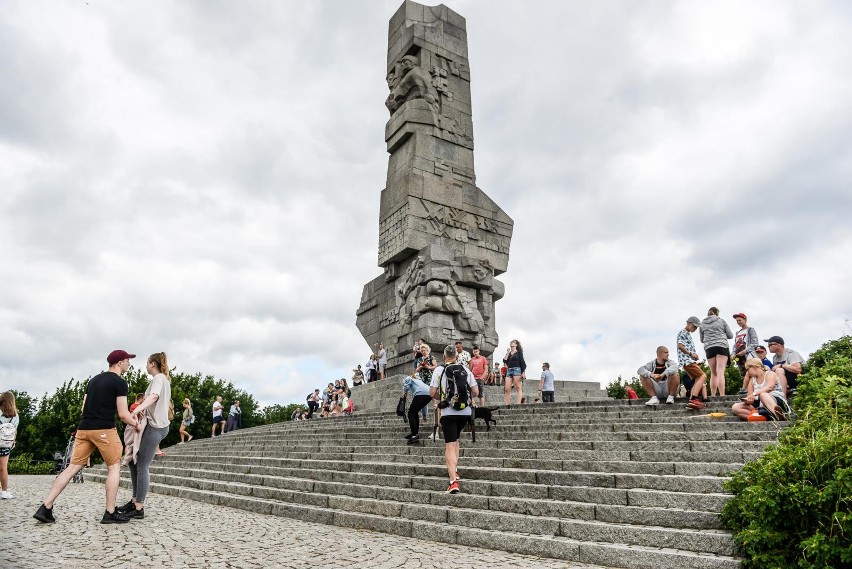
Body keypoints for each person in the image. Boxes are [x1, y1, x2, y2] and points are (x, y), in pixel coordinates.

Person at [34, 349, 140, 524]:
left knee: (72, 467)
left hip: (83, 429)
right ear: (120, 362)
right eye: (128, 360)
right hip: (104, 429)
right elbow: (122, 414)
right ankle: (110, 512)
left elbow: (84, 408)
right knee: (114, 467)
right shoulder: (120, 383)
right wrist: (135, 423)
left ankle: (46, 507)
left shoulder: (93, 380)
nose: (130, 363)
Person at [117, 352, 172, 520]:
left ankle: (139, 507)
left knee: (142, 465)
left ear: (152, 364)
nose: (146, 366)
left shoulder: (158, 378)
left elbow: (154, 397)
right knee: (135, 463)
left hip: (155, 427)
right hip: (156, 426)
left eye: (147, 363)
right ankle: (134, 501)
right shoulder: (162, 379)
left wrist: (137, 409)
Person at [430, 345, 478, 494]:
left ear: (444, 357)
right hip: (465, 412)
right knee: (456, 441)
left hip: (448, 413)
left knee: (449, 445)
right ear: (457, 356)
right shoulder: (465, 370)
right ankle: (455, 470)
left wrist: (445, 399)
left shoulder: (439, 370)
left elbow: (432, 393)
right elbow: (475, 391)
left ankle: (453, 482)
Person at [700, 307, 733, 397]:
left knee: (713, 373)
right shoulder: (721, 321)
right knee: (720, 372)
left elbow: (702, 339)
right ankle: (722, 395)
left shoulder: (702, 323)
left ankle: (713, 395)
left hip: (709, 347)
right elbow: (730, 335)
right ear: (717, 313)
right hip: (721, 346)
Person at [677, 316, 709, 410]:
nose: (695, 329)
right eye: (694, 326)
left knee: (698, 378)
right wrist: (691, 354)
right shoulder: (683, 332)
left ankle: (691, 401)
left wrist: (694, 356)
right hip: (687, 361)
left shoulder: (687, 334)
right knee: (703, 376)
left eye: (696, 327)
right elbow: (680, 346)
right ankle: (694, 399)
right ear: (688, 323)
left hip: (689, 360)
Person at [402, 374, 432, 444]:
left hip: (421, 394)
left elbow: (407, 381)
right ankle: (414, 433)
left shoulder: (410, 378)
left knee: (410, 413)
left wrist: (405, 392)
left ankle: (414, 436)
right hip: (429, 394)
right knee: (414, 412)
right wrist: (424, 415)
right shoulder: (420, 383)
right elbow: (423, 405)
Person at [0, 391, 19, 499]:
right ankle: (4, 491)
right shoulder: (15, 415)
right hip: (5, 445)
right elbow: (15, 431)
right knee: (3, 468)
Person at [502, 340, 526, 405]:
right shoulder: (509, 353)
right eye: (511, 343)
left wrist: (523, 372)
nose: (511, 343)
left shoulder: (519, 353)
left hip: (517, 369)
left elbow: (522, 362)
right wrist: (507, 352)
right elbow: (504, 360)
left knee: (518, 387)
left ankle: (518, 403)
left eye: (513, 342)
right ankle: (507, 404)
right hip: (509, 370)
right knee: (507, 388)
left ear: (516, 345)